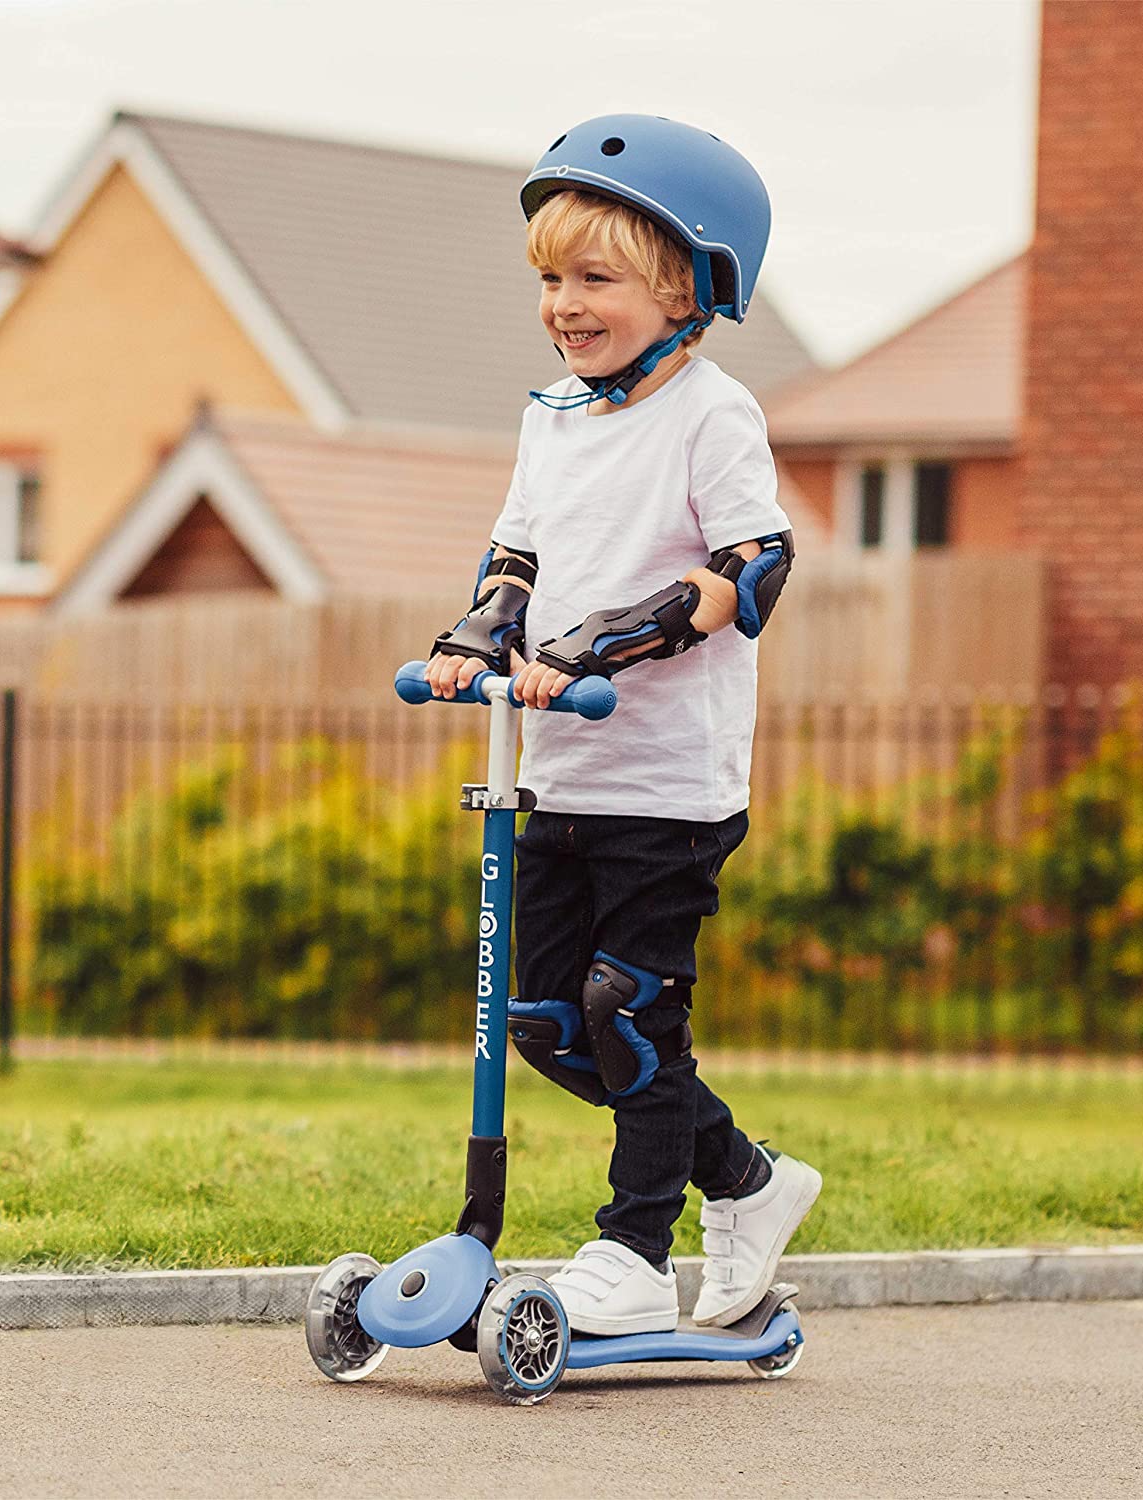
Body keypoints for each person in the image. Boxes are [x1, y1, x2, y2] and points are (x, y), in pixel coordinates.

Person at [423, 115, 821, 1337]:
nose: (565, 303)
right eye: (551, 277)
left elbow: (753, 565)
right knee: (545, 1018)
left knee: (630, 1008)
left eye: (595, 278)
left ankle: (637, 1250)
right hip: (562, 770)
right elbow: (519, 550)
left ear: (689, 286)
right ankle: (751, 1182)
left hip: (670, 787)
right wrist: (483, 636)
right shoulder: (554, 411)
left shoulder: (713, 414)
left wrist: (606, 642)